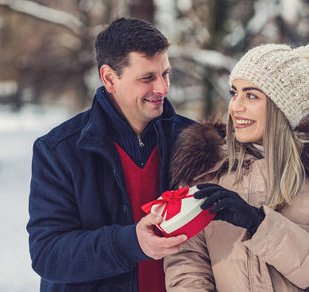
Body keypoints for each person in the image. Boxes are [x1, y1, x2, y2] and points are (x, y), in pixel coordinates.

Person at [164, 44, 309, 291]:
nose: (235, 107)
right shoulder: (205, 168)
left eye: (251, 95)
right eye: (234, 93)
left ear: (282, 107)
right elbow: (187, 265)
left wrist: (259, 224)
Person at [27, 17, 194, 292]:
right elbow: (47, 253)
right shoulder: (58, 150)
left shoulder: (194, 140)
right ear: (109, 78)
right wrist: (130, 244)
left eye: (165, 73)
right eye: (147, 78)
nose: (163, 88)